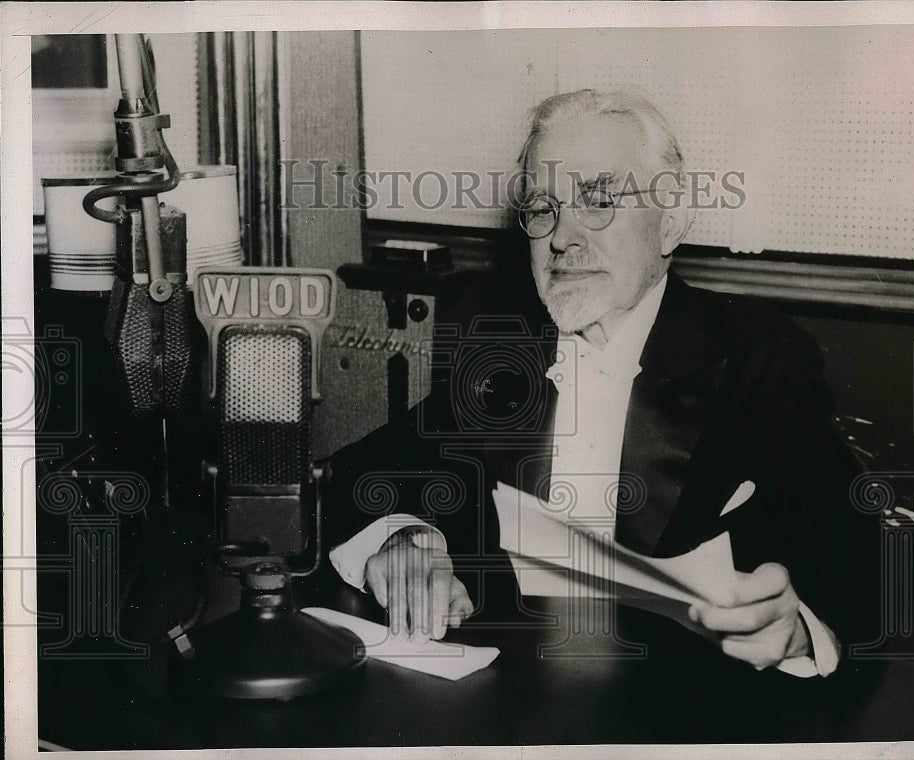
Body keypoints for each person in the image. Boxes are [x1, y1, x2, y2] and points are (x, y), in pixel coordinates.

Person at [323, 89, 878, 677]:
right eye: (543, 208)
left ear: (671, 223)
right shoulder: (503, 349)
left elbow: (850, 549)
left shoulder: (755, 356)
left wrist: (796, 630)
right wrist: (404, 537)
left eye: (598, 201)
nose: (561, 238)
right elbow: (361, 473)